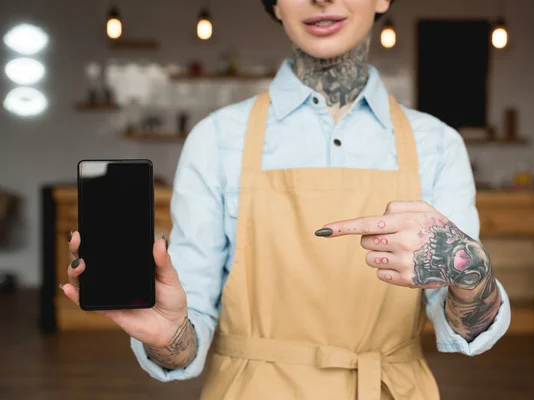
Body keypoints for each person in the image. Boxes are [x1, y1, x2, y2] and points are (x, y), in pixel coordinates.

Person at [61, 0, 511, 398]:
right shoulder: (216, 139)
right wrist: (168, 335)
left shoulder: (437, 143)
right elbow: (187, 329)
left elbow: (464, 323)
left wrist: (472, 274)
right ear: (275, 4)